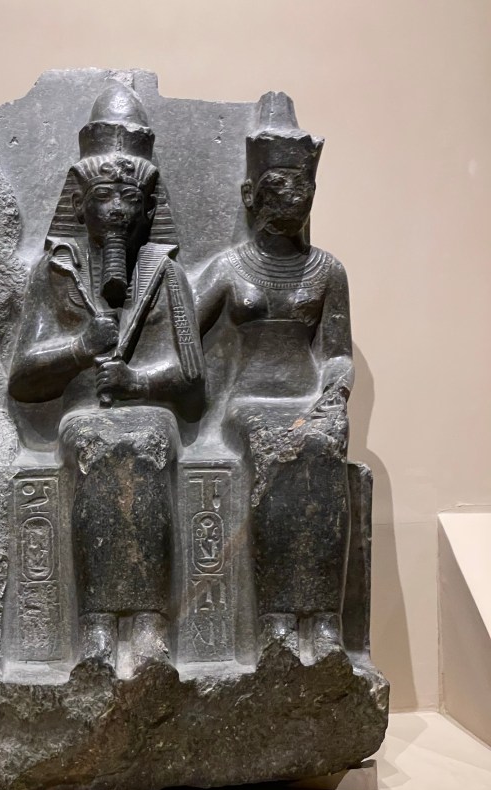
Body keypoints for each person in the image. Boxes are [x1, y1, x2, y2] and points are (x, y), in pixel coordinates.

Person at [9, 82, 204, 672]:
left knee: (143, 440)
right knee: (95, 439)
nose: (116, 209)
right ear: (80, 203)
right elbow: (22, 379)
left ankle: (149, 625)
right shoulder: (56, 271)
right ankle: (95, 626)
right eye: (103, 196)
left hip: (150, 421)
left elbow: (192, 378)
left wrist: (138, 382)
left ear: (149, 209)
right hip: (83, 422)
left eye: (129, 198)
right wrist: (78, 348)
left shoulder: (164, 274)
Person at [195, 92, 353, 660]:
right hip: (250, 402)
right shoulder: (228, 267)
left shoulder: (328, 270)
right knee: (281, 448)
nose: (291, 194)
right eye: (278, 184)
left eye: (301, 185)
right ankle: (278, 622)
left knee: (322, 448)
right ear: (250, 195)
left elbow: (337, 353)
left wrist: (336, 391)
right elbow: (182, 339)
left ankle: (324, 621)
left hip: (308, 400)